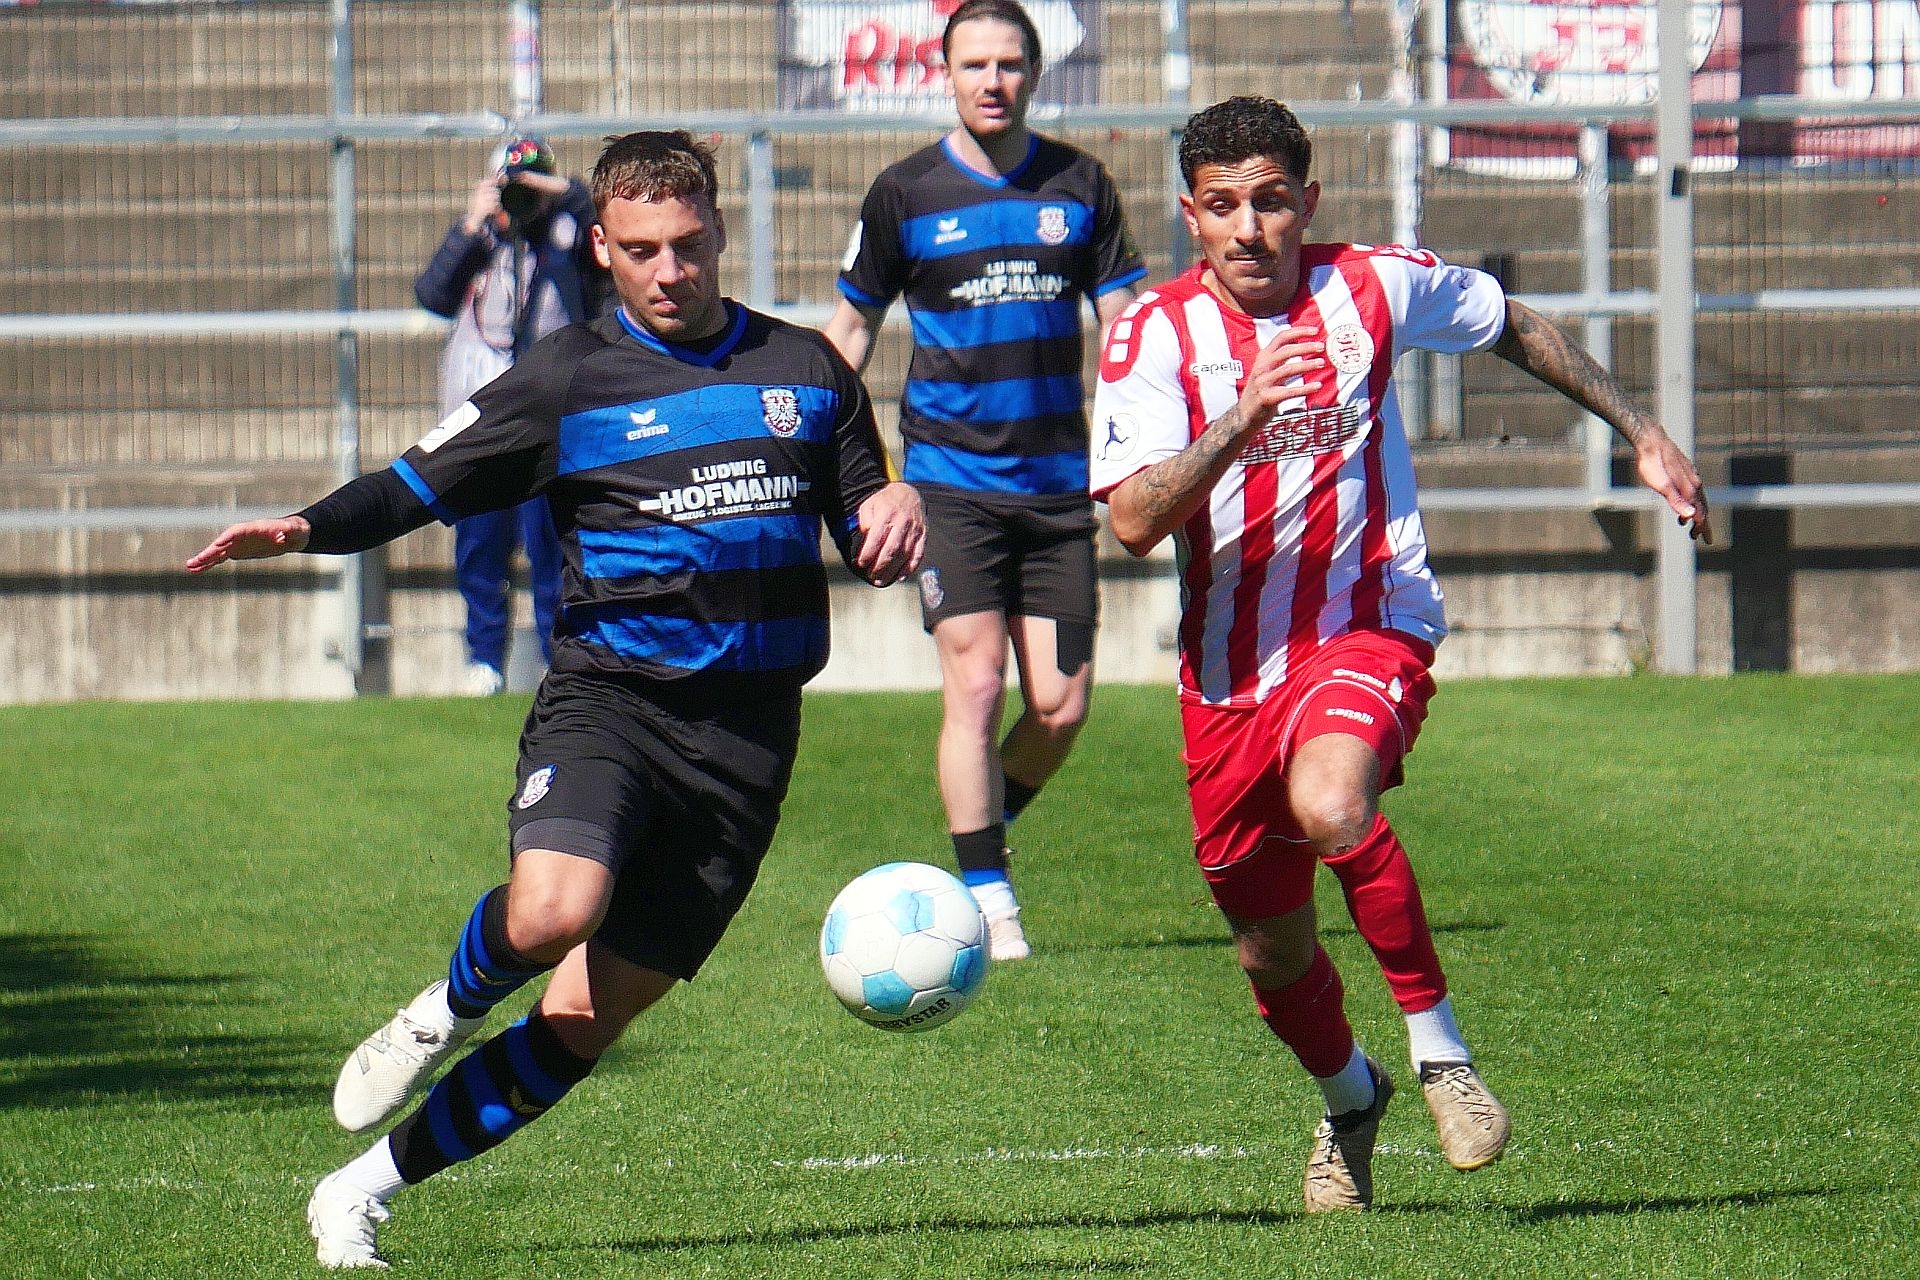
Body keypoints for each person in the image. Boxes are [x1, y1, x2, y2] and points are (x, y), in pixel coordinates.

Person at [186, 130, 925, 1268]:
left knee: (581, 1021)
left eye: (688, 244)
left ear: (720, 231)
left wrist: (895, 514)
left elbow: (864, 512)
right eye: (643, 249)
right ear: (603, 248)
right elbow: (418, 483)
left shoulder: (807, 368)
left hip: (748, 741)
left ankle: (356, 1191)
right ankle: (443, 1007)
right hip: (610, 704)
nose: (670, 270)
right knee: (549, 913)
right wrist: (304, 527)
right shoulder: (565, 377)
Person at [1090, 96, 1712, 1213]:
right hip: (1228, 677)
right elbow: (1132, 520)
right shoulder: (1151, 335)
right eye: (1223, 206)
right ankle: (1351, 1096)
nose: (1249, 229)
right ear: (1191, 215)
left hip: (1368, 623)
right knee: (1270, 955)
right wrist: (1240, 418)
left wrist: (1641, 428)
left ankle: (1443, 1056)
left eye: (1271, 201)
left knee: (1334, 802)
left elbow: (1510, 321)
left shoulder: (1374, 284)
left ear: (1308, 202)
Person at [823, 0, 1146, 961]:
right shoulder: (904, 193)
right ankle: (988, 897)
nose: (993, 81)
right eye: (975, 65)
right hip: (949, 484)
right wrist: (825, 449)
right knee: (975, 685)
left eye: (1010, 64)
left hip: (1057, 490)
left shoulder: (1080, 184)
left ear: (1035, 74)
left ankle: (981, 827)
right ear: (948, 73)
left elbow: (1128, 325)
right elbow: (851, 330)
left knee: (1060, 708)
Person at [413, 136, 608, 696]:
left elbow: (594, 215)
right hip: (481, 419)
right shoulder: (482, 242)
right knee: (481, 545)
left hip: (551, 418)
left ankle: (558, 658)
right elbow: (433, 294)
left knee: (553, 547)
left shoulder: (570, 238)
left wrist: (555, 192)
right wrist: (472, 224)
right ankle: (484, 659)